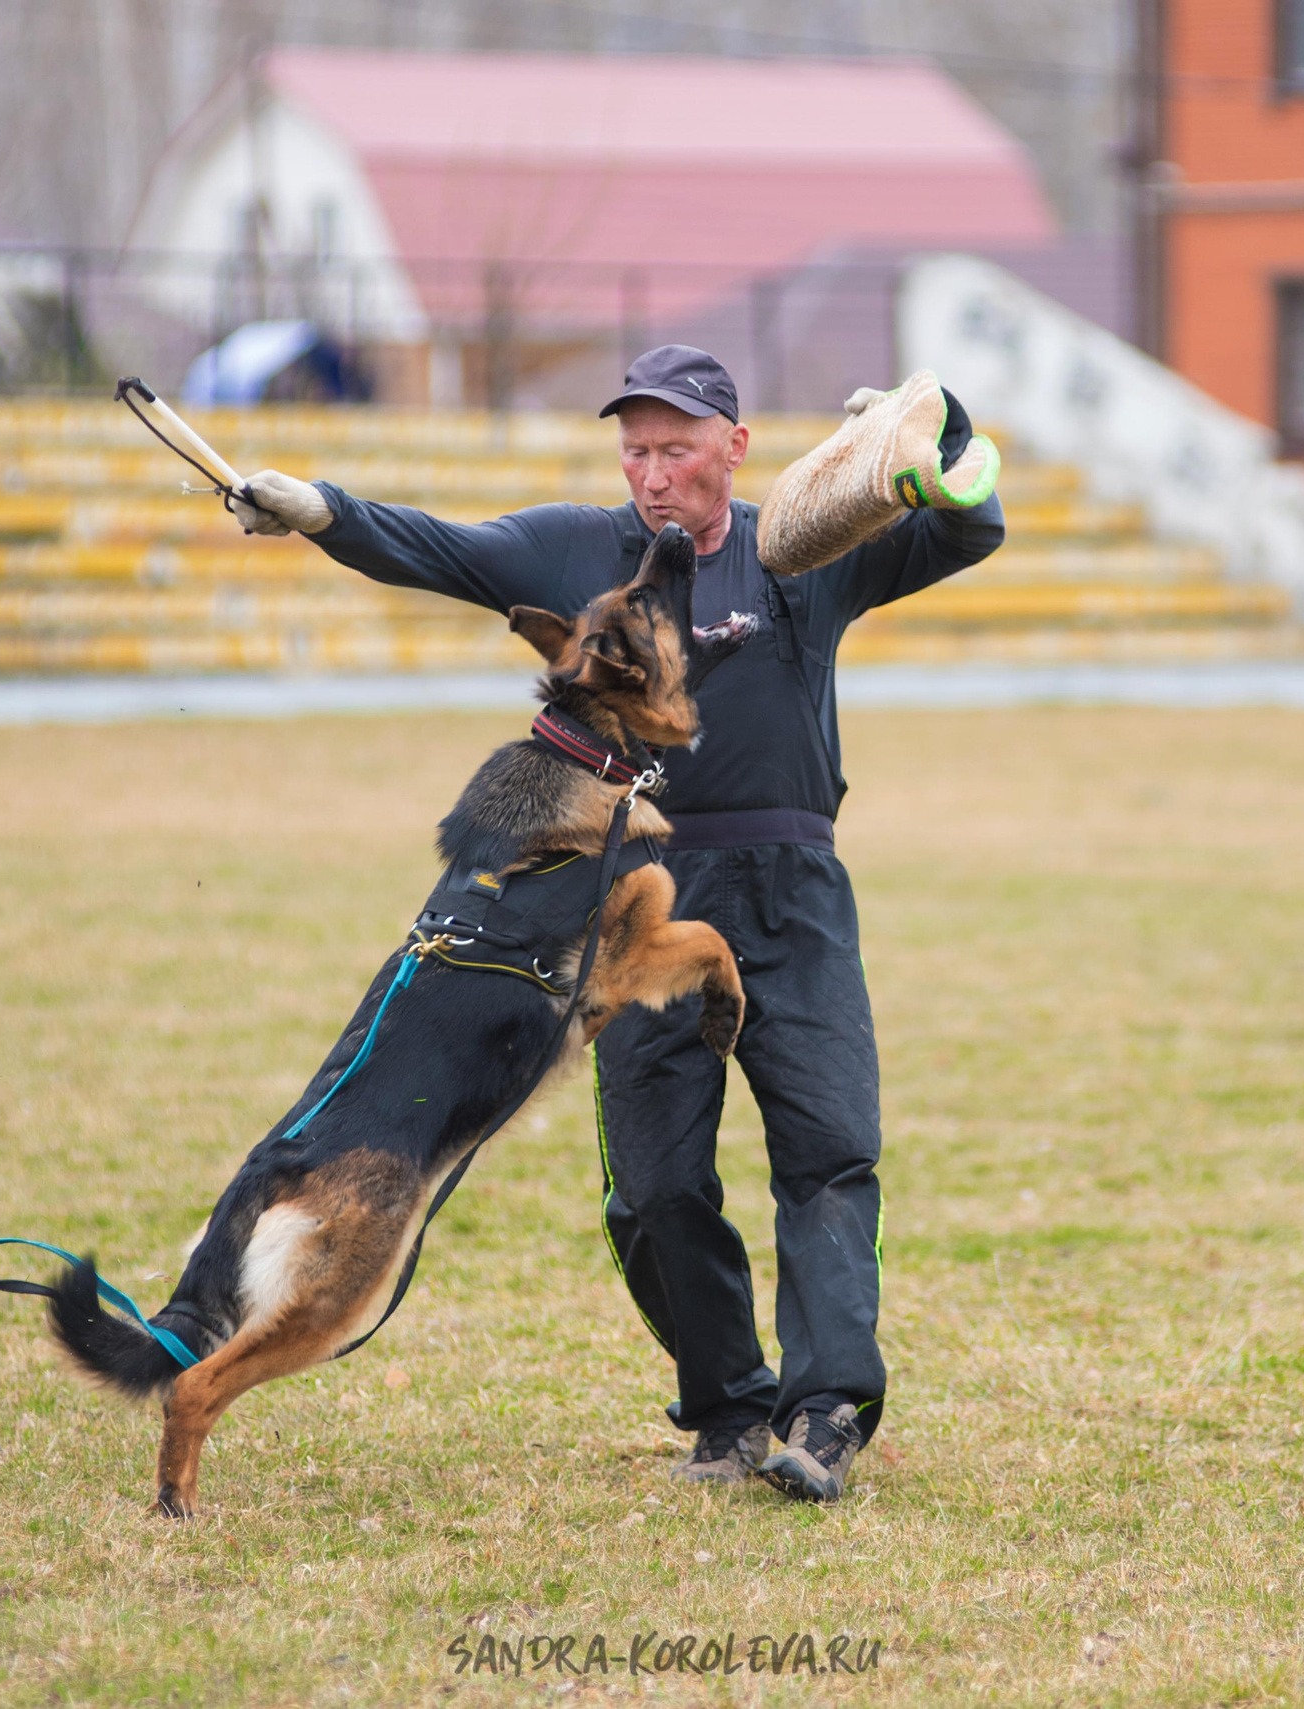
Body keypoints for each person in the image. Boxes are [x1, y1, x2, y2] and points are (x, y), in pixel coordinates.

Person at [226, 346, 1005, 1501]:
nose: (652, 474)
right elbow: (437, 547)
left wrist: (924, 441)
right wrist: (318, 511)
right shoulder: (574, 546)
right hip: (632, 895)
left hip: (791, 887)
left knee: (829, 1152)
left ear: (733, 450)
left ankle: (826, 1410)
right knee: (652, 1187)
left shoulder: (797, 542)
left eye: (677, 449)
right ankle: (728, 1407)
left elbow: (966, 530)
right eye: (635, 449)